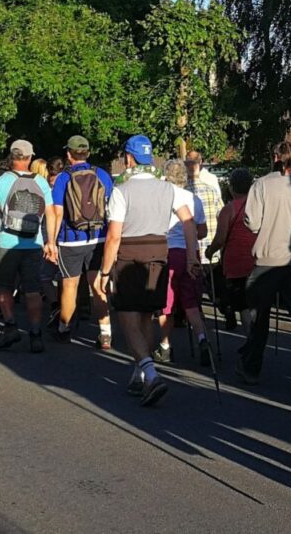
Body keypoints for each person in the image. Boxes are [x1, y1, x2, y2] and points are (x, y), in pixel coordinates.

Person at [91, 135, 195, 406]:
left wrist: (103, 273)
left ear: (128, 158)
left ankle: (150, 371)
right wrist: (193, 256)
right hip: (159, 253)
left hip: (130, 255)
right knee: (147, 316)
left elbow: (113, 237)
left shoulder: (121, 191)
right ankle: (140, 376)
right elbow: (189, 222)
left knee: (127, 318)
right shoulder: (168, 189)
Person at [238, 142, 291, 394]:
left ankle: (251, 368)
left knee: (258, 319)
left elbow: (252, 223)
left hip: (267, 261)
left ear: (275, 157)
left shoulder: (261, 186)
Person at [0, 140, 52, 354]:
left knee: (3, 287)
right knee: (32, 290)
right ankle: (36, 333)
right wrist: (51, 241)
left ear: (11, 157)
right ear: (29, 158)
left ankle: (10, 326)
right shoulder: (41, 182)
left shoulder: (2, 182)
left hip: (7, 242)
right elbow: (52, 213)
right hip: (34, 243)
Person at [44, 135, 115, 349]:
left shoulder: (64, 178)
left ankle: (64, 328)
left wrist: (51, 242)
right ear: (88, 153)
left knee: (69, 285)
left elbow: (56, 213)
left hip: (70, 240)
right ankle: (105, 333)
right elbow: (111, 207)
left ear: (68, 154)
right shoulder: (102, 174)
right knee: (98, 285)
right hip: (99, 237)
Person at [154, 159, 211, 366]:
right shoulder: (193, 199)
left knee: (166, 304)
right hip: (190, 253)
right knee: (191, 303)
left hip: (167, 252)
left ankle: (165, 346)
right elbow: (202, 231)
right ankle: (202, 339)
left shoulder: (161, 197)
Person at [206, 168, 256, 331]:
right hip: (256, 259)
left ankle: (250, 339)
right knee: (253, 301)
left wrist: (210, 251)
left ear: (231, 187)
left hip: (236, 262)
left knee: (243, 305)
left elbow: (220, 239)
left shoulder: (228, 210)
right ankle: (256, 337)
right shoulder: (258, 206)